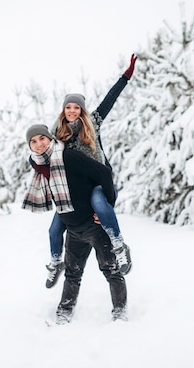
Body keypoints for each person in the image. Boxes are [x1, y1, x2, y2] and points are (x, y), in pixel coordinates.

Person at [38, 54, 138, 287]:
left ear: (82, 110)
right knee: (54, 229)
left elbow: (109, 100)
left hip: (98, 183)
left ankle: (119, 245)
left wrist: (125, 77)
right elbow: (45, 156)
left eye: (76, 107)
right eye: (68, 107)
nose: (72, 110)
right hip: (74, 192)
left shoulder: (93, 122)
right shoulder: (57, 135)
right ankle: (55, 263)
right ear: (64, 110)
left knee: (100, 205)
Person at [22, 124, 127, 324]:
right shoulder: (40, 164)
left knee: (111, 270)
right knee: (72, 274)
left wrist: (107, 206)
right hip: (72, 227)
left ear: (50, 138)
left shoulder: (68, 156)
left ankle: (120, 311)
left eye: (41, 139)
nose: (38, 144)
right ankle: (65, 311)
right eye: (33, 142)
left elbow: (104, 173)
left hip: (94, 226)